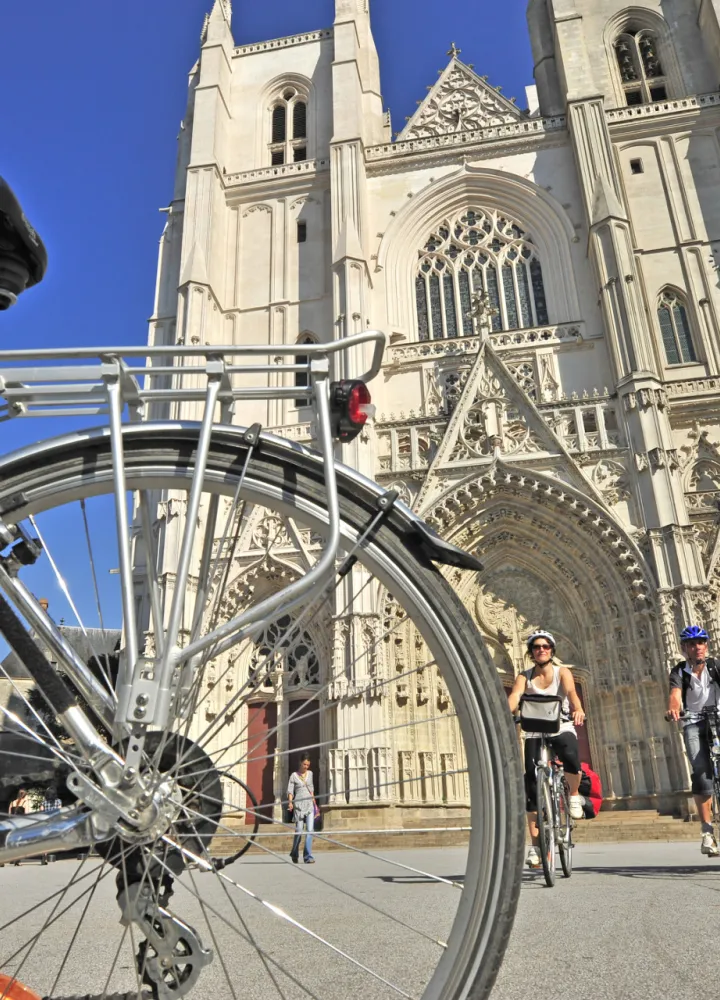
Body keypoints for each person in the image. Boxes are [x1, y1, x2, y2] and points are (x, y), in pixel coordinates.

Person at [507, 630, 586, 870]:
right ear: (531, 652)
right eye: (537, 647)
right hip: (534, 730)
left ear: (552, 650)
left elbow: (571, 692)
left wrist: (578, 708)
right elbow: (515, 695)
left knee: (571, 755)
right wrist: (503, 712)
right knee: (531, 784)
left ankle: (573, 795)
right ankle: (536, 847)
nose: (541, 650)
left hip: (560, 725)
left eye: (546, 646)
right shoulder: (524, 676)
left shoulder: (562, 672)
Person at [666, 624, 720, 857]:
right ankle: (707, 831)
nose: (697, 647)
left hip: (718, 718)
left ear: (706, 645)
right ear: (684, 648)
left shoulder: (715, 666)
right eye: (691, 644)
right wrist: (673, 709)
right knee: (700, 771)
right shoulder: (679, 671)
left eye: (700, 643)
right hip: (693, 722)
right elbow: (675, 694)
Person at [287, 753, 317, 864]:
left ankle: (307, 856)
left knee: (310, 830)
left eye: (308, 765)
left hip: (309, 804)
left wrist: (314, 803)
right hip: (299, 805)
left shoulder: (310, 774)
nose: (306, 767)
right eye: (304, 764)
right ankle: (294, 853)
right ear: (300, 762)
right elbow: (290, 790)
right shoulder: (293, 776)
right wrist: (290, 803)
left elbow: (311, 789)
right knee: (299, 831)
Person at [39, 786, 62, 865]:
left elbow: (41, 812)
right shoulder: (58, 801)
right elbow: (59, 811)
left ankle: (44, 854)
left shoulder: (43, 802)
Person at [8, 788, 29, 867]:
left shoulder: (12, 803)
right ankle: (18, 860)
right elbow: (26, 814)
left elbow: (9, 815)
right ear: (25, 795)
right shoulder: (25, 803)